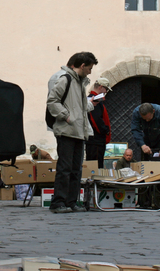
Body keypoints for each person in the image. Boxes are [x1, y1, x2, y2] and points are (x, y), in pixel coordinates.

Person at [47, 52, 97, 214]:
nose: (90, 72)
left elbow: (80, 107)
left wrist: (91, 105)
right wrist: (65, 116)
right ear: (82, 66)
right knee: (65, 168)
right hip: (67, 131)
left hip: (78, 132)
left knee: (76, 169)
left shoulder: (80, 84)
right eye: (89, 68)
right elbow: (52, 101)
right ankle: (58, 202)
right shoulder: (65, 79)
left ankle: (72, 201)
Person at [87, 78, 112, 169]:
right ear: (101, 87)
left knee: (94, 164)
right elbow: (96, 119)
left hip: (94, 139)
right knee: (96, 166)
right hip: (96, 140)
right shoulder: (95, 100)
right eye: (106, 89)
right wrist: (105, 130)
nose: (106, 92)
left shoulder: (92, 98)